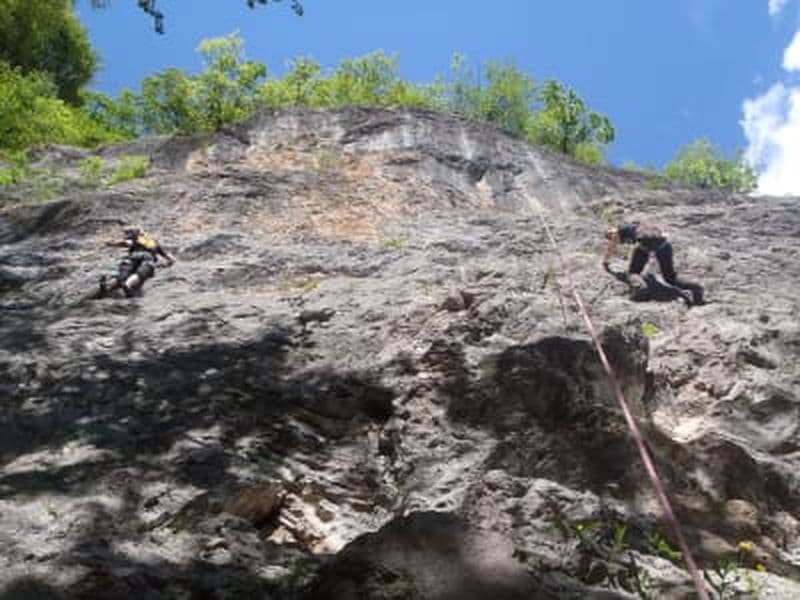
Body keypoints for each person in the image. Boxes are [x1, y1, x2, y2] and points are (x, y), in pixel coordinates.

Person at [602, 222, 704, 305]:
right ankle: (696, 288)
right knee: (670, 278)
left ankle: (641, 288)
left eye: (609, 235)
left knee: (633, 272)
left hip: (646, 245)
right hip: (665, 244)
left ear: (612, 229)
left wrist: (605, 263)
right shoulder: (635, 225)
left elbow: (611, 248)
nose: (610, 237)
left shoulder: (618, 231)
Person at [99, 226, 175, 298]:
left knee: (123, 274)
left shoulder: (137, 239)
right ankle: (128, 284)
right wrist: (167, 263)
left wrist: (111, 244)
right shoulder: (154, 242)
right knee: (141, 273)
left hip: (132, 257)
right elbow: (170, 258)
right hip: (147, 258)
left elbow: (126, 243)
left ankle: (108, 284)